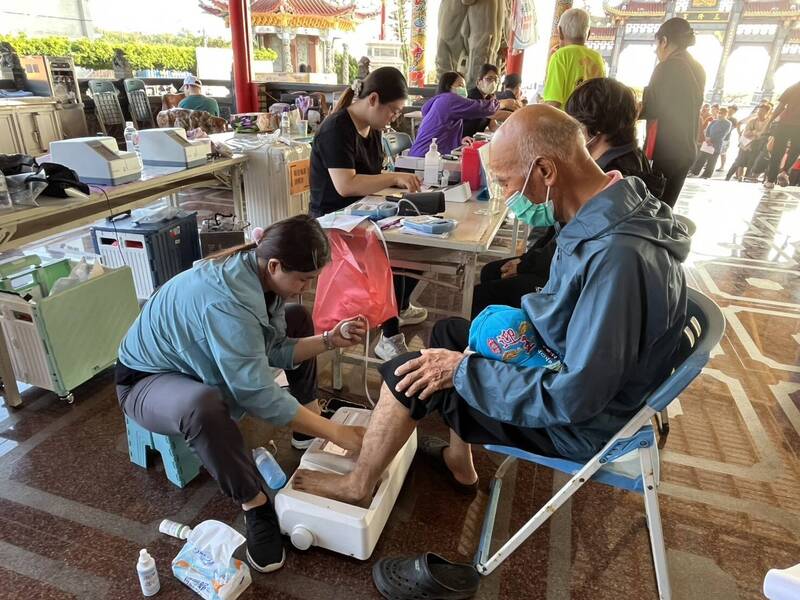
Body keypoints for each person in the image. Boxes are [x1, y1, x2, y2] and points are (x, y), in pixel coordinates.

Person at [291, 105, 689, 513]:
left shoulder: (617, 258)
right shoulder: (609, 207)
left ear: (545, 172)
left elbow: (575, 397)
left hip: (578, 422)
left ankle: (357, 484)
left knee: (406, 375)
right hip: (567, 363)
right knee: (448, 334)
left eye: (505, 181)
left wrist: (463, 370)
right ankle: (459, 462)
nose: (507, 196)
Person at [116, 215, 367, 574]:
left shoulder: (261, 274)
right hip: (145, 380)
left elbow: (274, 349)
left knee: (296, 316)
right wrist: (341, 434)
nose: (304, 287)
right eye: (303, 280)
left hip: (188, 361)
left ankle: (306, 426)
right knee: (201, 406)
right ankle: (254, 503)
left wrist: (330, 340)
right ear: (276, 265)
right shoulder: (226, 302)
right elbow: (257, 393)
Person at [472, 77, 666, 317]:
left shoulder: (616, 246)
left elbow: (584, 345)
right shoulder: (611, 173)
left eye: (574, 122)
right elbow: (566, 233)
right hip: (564, 291)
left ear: (593, 129)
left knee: (483, 299)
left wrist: (527, 266)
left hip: (567, 303)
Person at [308, 67, 427, 361]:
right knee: (390, 254)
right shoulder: (337, 129)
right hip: (333, 221)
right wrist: (392, 177)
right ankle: (389, 334)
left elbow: (370, 176)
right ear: (373, 99)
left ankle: (398, 307)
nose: (395, 118)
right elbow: (345, 184)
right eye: (394, 111)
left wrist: (393, 179)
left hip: (362, 214)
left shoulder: (371, 129)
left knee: (419, 243)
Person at [640, 17, 706, 208]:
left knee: (652, 209)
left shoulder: (666, 67)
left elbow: (651, 107)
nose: (656, 50)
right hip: (686, 148)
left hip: (667, 149)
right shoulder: (698, 68)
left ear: (665, 41)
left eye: (657, 43)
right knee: (667, 207)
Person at [409, 72, 517, 156]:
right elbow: (480, 108)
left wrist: (458, 141)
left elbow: (442, 132)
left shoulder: (444, 101)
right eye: (460, 85)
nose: (463, 90)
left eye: (464, 86)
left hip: (430, 155)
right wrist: (504, 103)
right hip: (424, 157)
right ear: (449, 86)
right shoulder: (449, 100)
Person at [542, 8, 606, 109]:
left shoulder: (560, 56)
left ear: (560, 32)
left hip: (564, 122)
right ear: (588, 34)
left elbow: (553, 103)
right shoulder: (598, 58)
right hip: (589, 123)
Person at [764, 80, 800, 189]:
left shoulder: (793, 87)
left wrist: (769, 122)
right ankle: (784, 172)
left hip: (784, 124)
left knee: (777, 152)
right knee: (795, 150)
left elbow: (780, 106)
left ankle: (770, 180)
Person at [726, 102, 771, 181]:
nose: (760, 112)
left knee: (751, 164)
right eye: (759, 110)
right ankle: (730, 177)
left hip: (757, 147)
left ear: (767, 112)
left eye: (763, 111)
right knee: (739, 162)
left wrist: (754, 132)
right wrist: (756, 133)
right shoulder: (752, 121)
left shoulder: (768, 122)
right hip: (745, 145)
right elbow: (746, 133)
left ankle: (747, 179)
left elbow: (764, 134)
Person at [462, 63, 502, 139]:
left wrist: (505, 132)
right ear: (478, 82)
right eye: (489, 79)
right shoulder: (471, 97)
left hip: (476, 140)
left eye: (496, 79)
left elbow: (493, 126)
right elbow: (492, 114)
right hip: (463, 140)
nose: (493, 82)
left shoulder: (490, 98)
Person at [690, 106, 732, 178]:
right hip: (707, 143)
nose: (720, 114)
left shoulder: (728, 123)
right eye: (719, 113)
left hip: (716, 144)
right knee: (701, 158)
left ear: (726, 114)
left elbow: (723, 134)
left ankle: (706, 175)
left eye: (722, 113)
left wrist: (711, 141)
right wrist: (707, 138)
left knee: (712, 161)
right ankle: (694, 172)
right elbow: (707, 130)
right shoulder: (714, 121)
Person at [717, 105, 738, 171]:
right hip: (718, 137)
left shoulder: (734, 119)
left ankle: (722, 166)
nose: (730, 111)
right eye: (729, 109)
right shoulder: (721, 116)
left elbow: (732, 128)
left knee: (723, 153)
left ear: (735, 112)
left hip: (726, 139)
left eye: (732, 110)